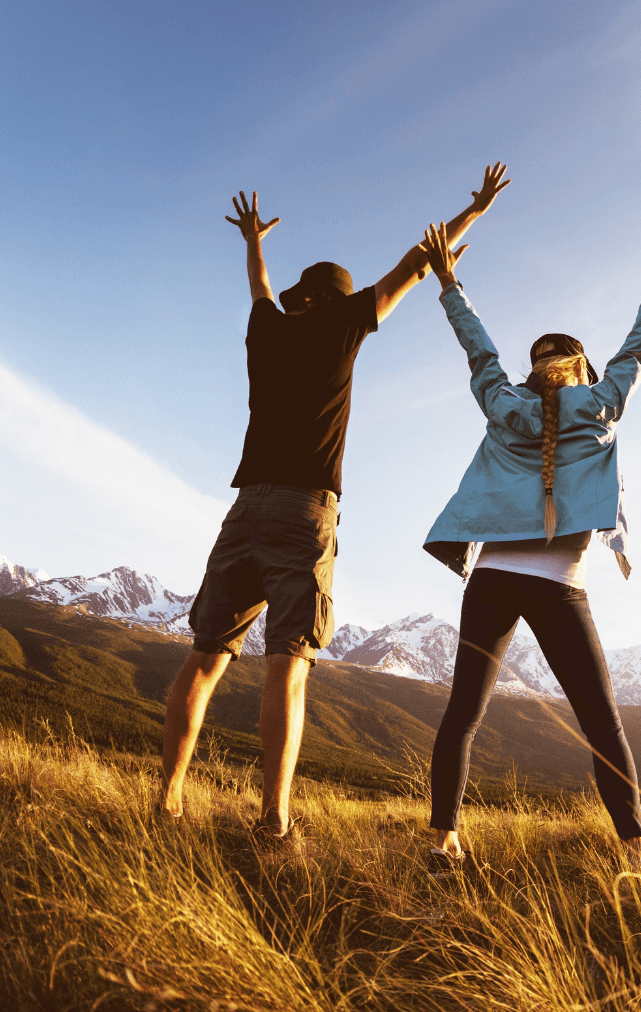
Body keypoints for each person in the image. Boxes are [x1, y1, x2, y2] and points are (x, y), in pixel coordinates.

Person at [157, 164, 511, 844]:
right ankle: (273, 820)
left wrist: (253, 241)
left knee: (204, 657)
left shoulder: (268, 327)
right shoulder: (346, 322)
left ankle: (168, 800)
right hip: (304, 511)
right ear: (338, 299)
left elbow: (260, 287)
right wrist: (476, 210)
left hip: (246, 507)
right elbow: (413, 265)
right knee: (287, 666)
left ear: (301, 298)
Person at [419, 207, 641, 875]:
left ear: (534, 369)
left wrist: (448, 283)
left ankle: (443, 842)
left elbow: (478, 349)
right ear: (580, 367)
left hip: (492, 577)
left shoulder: (503, 403)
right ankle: (636, 855)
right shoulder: (601, 403)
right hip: (560, 585)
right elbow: (640, 344)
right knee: (601, 723)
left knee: (463, 713)